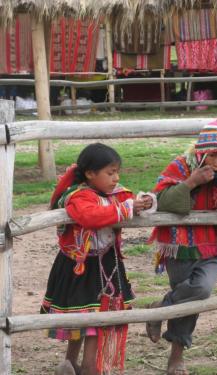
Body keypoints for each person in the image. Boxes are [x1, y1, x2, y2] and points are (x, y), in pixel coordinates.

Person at [145, 120, 217, 375]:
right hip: (179, 244)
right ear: (201, 153)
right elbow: (162, 201)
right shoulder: (181, 165)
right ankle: (176, 359)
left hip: (214, 247)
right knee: (187, 296)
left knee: (201, 290)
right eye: (212, 156)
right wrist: (190, 183)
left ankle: (159, 309)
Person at [42, 143, 153, 375]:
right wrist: (126, 208)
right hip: (81, 265)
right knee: (88, 315)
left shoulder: (114, 193)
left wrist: (143, 203)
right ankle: (85, 367)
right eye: (110, 173)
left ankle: (74, 364)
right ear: (91, 174)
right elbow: (90, 217)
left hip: (108, 262)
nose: (116, 178)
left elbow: (128, 200)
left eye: (117, 172)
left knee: (95, 314)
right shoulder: (78, 197)